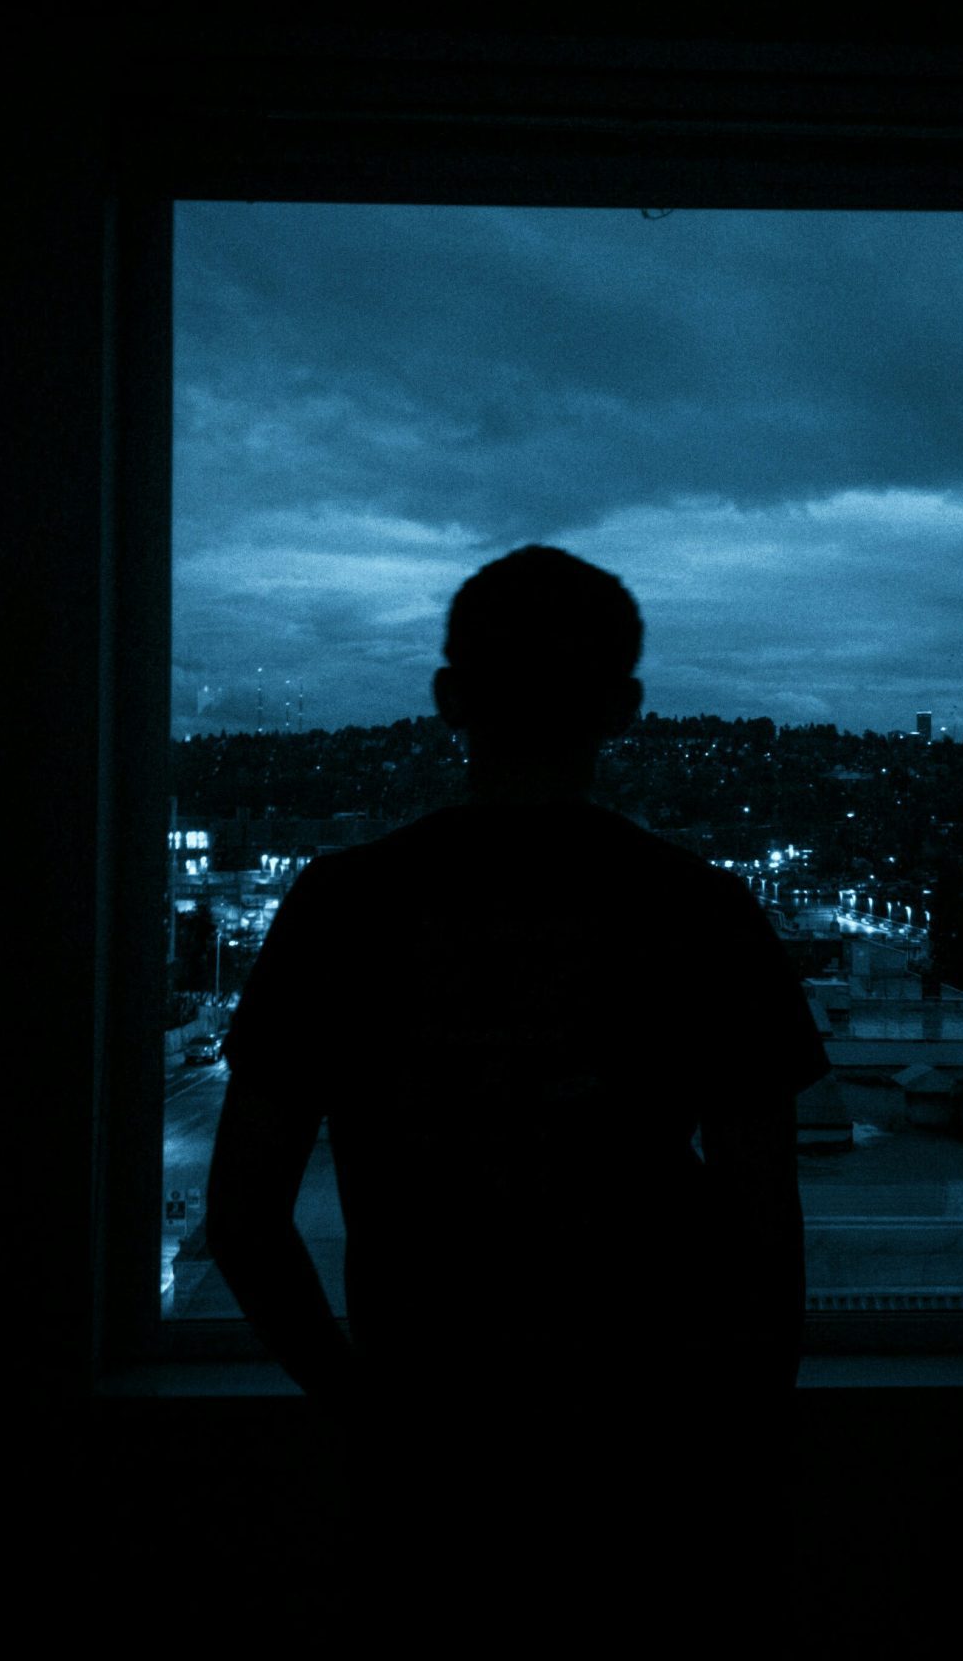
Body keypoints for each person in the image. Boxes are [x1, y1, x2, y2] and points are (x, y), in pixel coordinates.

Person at [205, 545, 829, 1640]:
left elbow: (245, 1217)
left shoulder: (344, 908)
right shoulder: (701, 911)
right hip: (655, 1456)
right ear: (624, 709)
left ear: (450, 698)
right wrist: (741, 1446)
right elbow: (763, 1230)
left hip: (429, 1450)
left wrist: (363, 1408)